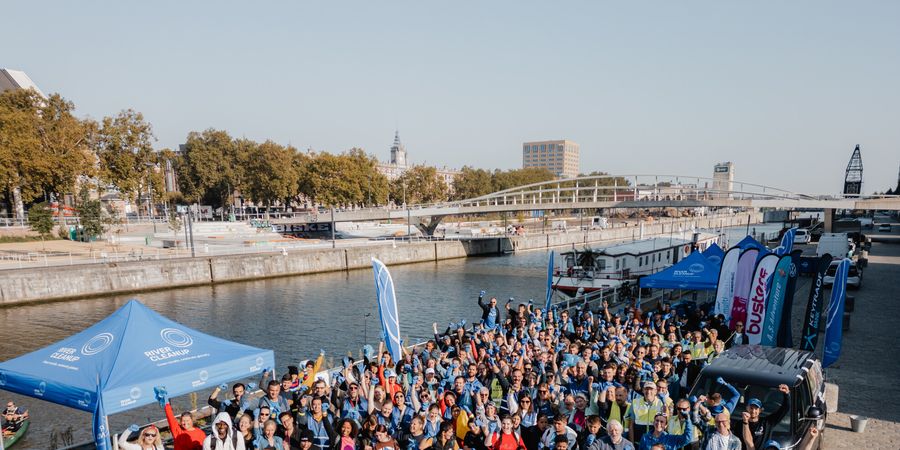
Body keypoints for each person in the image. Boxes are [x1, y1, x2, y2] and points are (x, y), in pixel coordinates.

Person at [740, 385, 790, 450]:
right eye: (751, 408)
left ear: (760, 410)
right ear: (747, 408)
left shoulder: (767, 422)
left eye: (756, 408)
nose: (753, 411)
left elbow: (784, 409)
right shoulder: (740, 424)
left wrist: (786, 394)